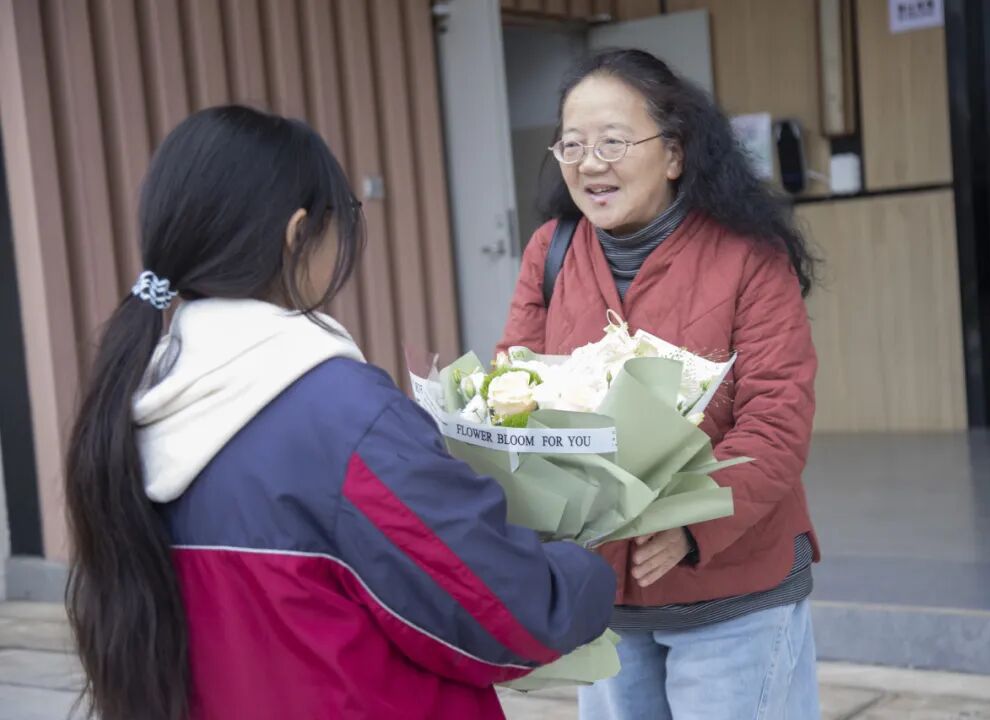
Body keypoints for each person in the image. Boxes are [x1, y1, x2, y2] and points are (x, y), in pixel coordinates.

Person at [64, 105, 615, 720]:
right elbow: (510, 613)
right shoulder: (344, 418)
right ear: (298, 232)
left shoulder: (137, 406)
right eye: (344, 216)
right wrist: (589, 564)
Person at [497, 50, 821, 719]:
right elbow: (515, 388)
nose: (590, 163)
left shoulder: (747, 255)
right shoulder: (550, 251)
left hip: (733, 591)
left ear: (673, 154)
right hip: (605, 600)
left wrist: (689, 522)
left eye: (613, 142)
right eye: (573, 144)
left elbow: (778, 420)